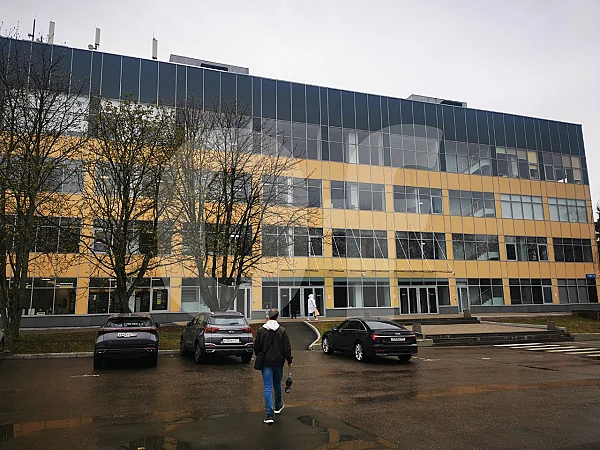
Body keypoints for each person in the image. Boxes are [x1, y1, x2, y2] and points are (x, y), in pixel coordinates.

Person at [255, 308, 293, 424]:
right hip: (278, 363)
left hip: (266, 363)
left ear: (268, 317)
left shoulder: (261, 330)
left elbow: (256, 347)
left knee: (267, 387)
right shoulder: (282, 331)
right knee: (277, 384)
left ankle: (269, 415)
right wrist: (289, 360)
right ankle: (278, 406)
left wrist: (260, 356)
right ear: (278, 317)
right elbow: (287, 347)